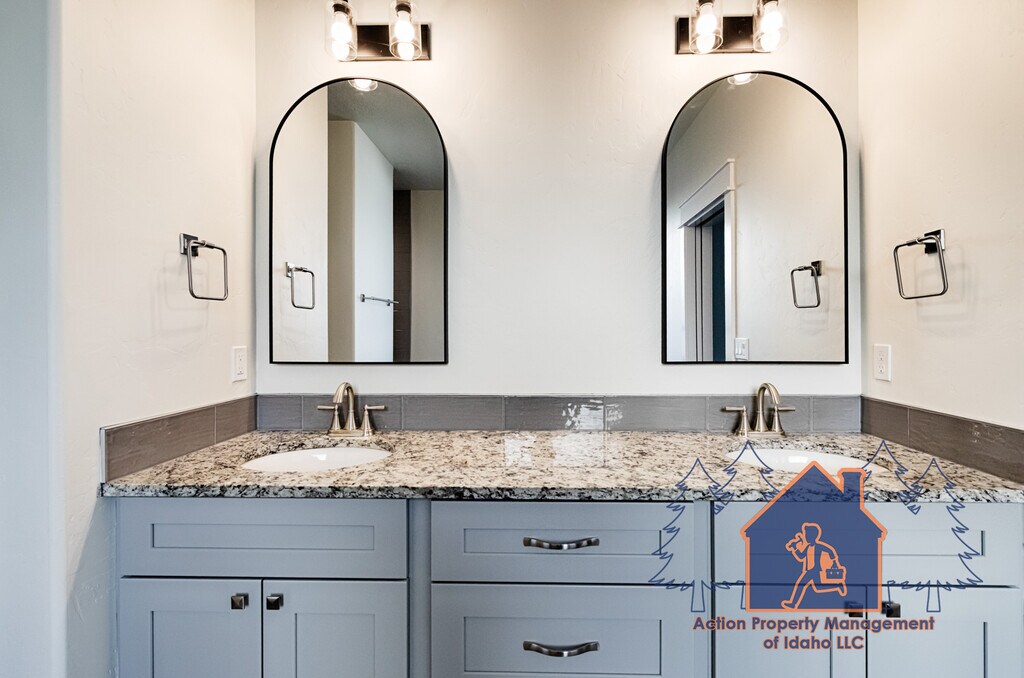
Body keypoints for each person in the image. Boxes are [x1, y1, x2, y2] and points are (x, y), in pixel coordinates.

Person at [780, 522, 846, 610]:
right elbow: (801, 557)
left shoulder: (819, 546)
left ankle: (793, 603)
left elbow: (830, 551)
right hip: (809, 570)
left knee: (800, 585)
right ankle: (837, 586)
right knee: (818, 588)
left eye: (806, 534)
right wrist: (794, 548)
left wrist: (834, 562)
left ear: (812, 536)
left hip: (814, 570)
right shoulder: (808, 547)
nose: (805, 536)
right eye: (805, 534)